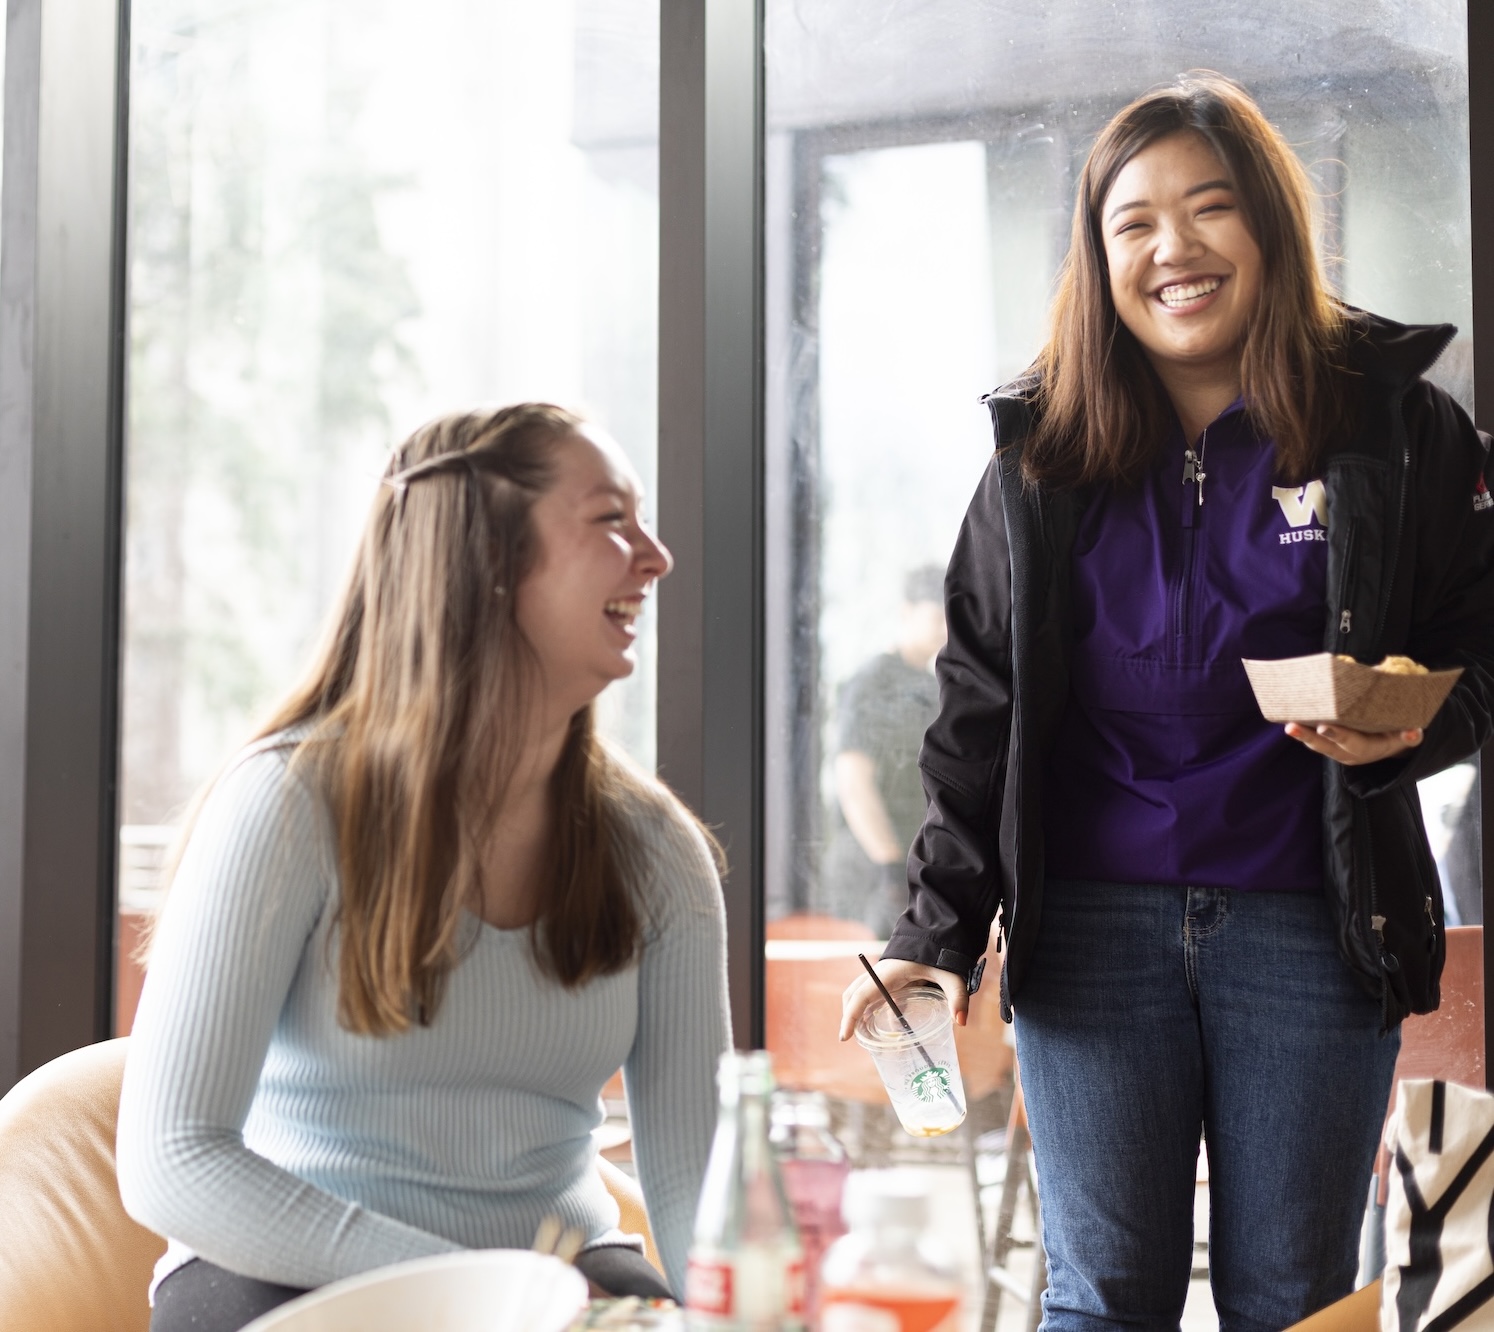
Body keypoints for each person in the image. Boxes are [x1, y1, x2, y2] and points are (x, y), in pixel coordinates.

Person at [841, 73, 1494, 1332]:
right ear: (1097, 256)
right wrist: (931, 936)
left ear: (1269, 227)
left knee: (1296, 1303)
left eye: (1209, 208)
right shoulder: (1037, 457)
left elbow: (1483, 651)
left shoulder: (1398, 431)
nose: (1173, 248)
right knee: (1100, 1300)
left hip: (1314, 921)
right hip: (1087, 934)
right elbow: (976, 716)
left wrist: (1417, 723)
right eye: (1132, 222)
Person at [117, 404, 731, 1332]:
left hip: (558, 1283)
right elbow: (172, 1158)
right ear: (486, 559)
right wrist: (478, 1293)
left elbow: (693, 1183)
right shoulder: (287, 804)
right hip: (288, 1276)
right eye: (611, 520)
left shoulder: (656, 850)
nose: (655, 557)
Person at [819, 565, 946, 935]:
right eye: (937, 616)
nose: (946, 629)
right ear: (907, 612)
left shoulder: (930, 684)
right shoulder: (873, 681)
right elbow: (854, 783)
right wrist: (890, 866)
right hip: (872, 866)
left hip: (910, 862)